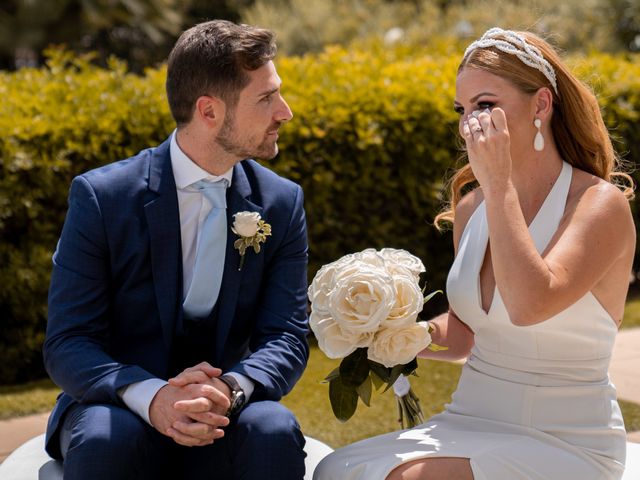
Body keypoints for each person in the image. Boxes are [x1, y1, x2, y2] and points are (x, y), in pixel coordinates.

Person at [314, 27, 635, 480]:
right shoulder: (472, 208)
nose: (470, 123)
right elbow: (466, 333)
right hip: (470, 418)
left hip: (565, 438)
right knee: (337, 468)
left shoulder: (599, 205)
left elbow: (528, 305)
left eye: (485, 106)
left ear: (540, 105)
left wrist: (499, 182)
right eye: (462, 110)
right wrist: (388, 333)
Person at [43, 19, 309, 480]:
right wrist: (153, 397)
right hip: (119, 406)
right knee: (107, 440)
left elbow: (286, 333)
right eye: (266, 98)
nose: (284, 111)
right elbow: (69, 341)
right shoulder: (102, 198)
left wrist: (230, 388)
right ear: (208, 111)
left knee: (273, 430)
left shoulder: (281, 203)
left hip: (224, 410)